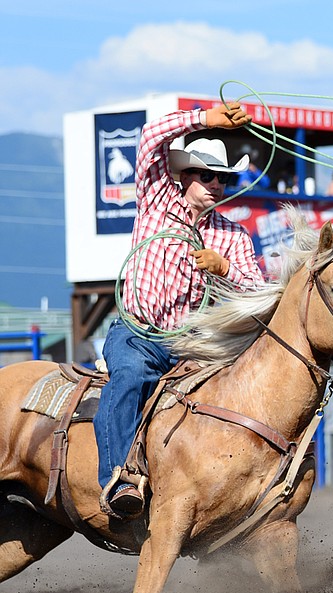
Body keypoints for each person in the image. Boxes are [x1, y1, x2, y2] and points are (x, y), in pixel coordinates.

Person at [94, 102, 265, 519]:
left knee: (226, 397)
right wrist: (204, 118)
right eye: (206, 176)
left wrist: (224, 269)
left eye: (223, 178)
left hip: (192, 344)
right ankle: (119, 479)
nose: (216, 185)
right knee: (130, 376)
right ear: (183, 177)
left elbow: (259, 293)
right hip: (139, 333)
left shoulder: (232, 235)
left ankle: (217, 487)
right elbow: (151, 137)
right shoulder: (155, 201)